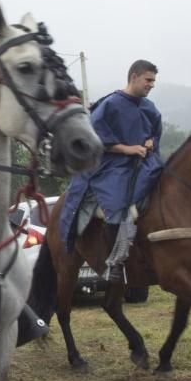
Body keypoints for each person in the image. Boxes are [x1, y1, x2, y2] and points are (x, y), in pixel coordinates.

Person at [60, 60, 162, 282]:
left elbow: (155, 133)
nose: (152, 85)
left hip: (145, 164)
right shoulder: (110, 104)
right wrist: (127, 149)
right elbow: (94, 138)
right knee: (118, 202)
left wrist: (151, 142)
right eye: (148, 80)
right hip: (111, 165)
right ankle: (115, 261)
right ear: (134, 77)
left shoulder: (150, 108)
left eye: (153, 81)